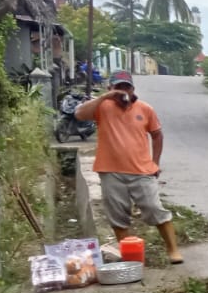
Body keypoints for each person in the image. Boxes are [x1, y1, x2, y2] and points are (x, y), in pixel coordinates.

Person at [75, 73, 182, 263]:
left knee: (154, 208)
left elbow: (157, 135)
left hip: (142, 171)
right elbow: (80, 114)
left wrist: (155, 163)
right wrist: (104, 97)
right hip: (110, 171)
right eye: (118, 87)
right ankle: (132, 258)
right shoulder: (103, 107)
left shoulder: (145, 109)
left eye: (127, 87)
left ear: (133, 89)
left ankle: (173, 250)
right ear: (110, 89)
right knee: (117, 216)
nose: (123, 91)